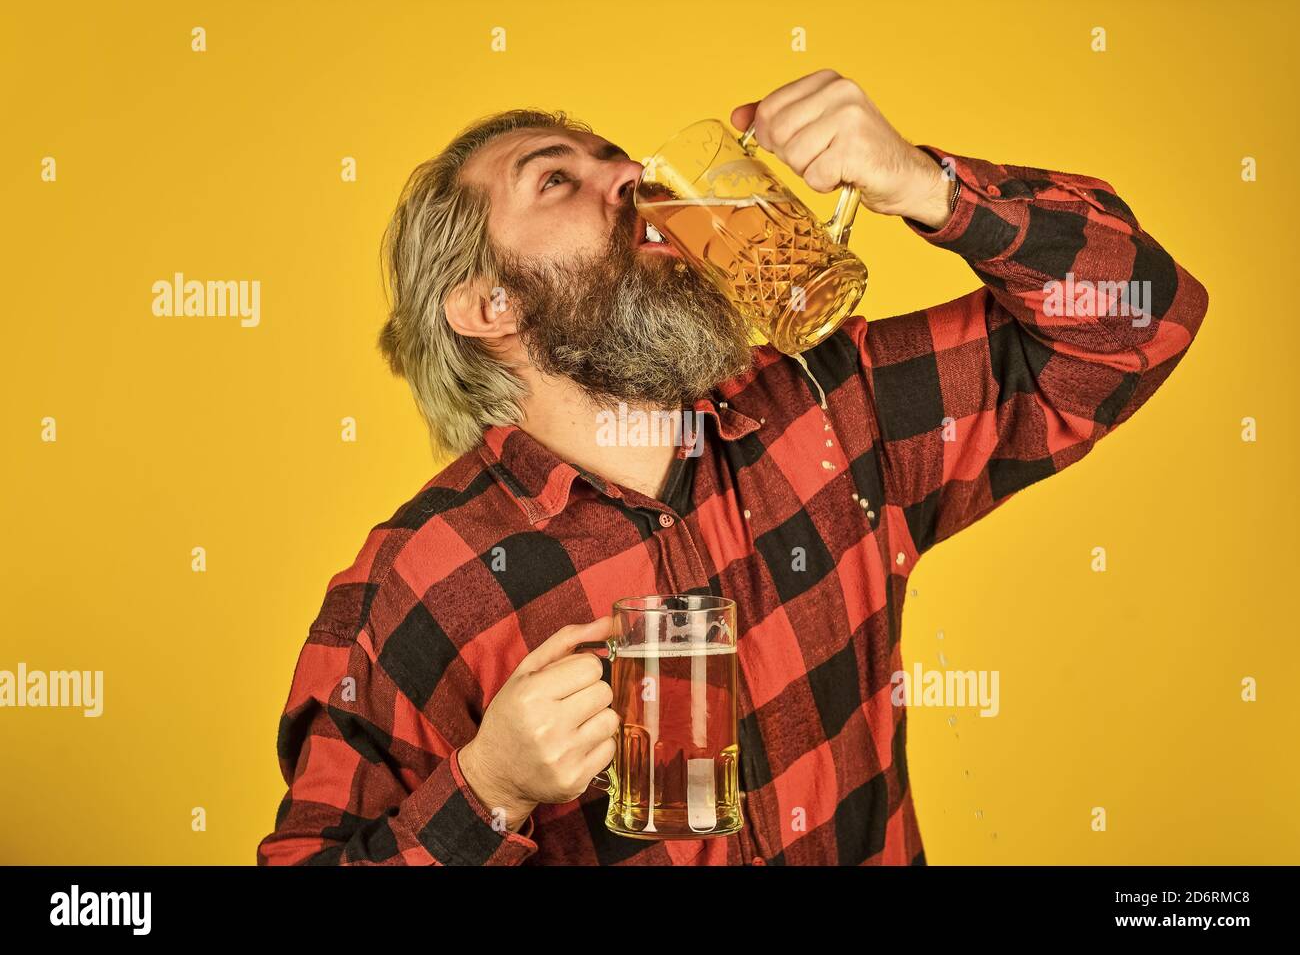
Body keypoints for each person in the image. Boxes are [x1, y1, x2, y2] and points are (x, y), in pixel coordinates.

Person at [256, 70, 1208, 865]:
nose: (631, 172)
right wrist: (489, 789)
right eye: (555, 181)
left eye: (612, 157)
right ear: (490, 306)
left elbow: (1140, 316)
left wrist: (924, 186)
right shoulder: (421, 578)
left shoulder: (834, 407)